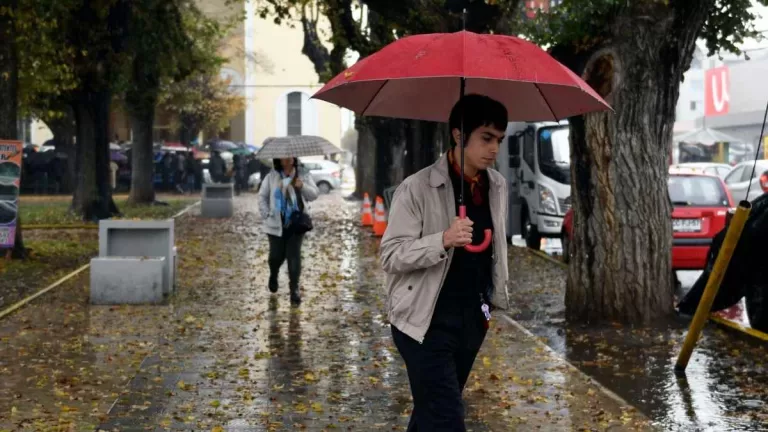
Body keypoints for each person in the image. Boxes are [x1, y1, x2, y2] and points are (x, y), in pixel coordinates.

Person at [380, 94, 510, 431]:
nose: (494, 148)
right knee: (448, 418)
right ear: (458, 134)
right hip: (422, 322)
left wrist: (489, 302)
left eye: (499, 139)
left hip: (470, 321)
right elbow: (391, 255)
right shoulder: (417, 188)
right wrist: (442, 239)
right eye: (486, 137)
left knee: (430, 413)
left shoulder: (497, 186)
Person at [258, 157, 319, 305]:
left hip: (296, 223)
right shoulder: (272, 176)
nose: (287, 158)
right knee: (275, 256)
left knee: (294, 256)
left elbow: (314, 194)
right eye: (284, 156)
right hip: (275, 223)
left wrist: (302, 186)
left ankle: (294, 289)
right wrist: (266, 213)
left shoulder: (303, 174)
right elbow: (262, 196)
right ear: (278, 159)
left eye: (290, 155)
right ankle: (274, 274)